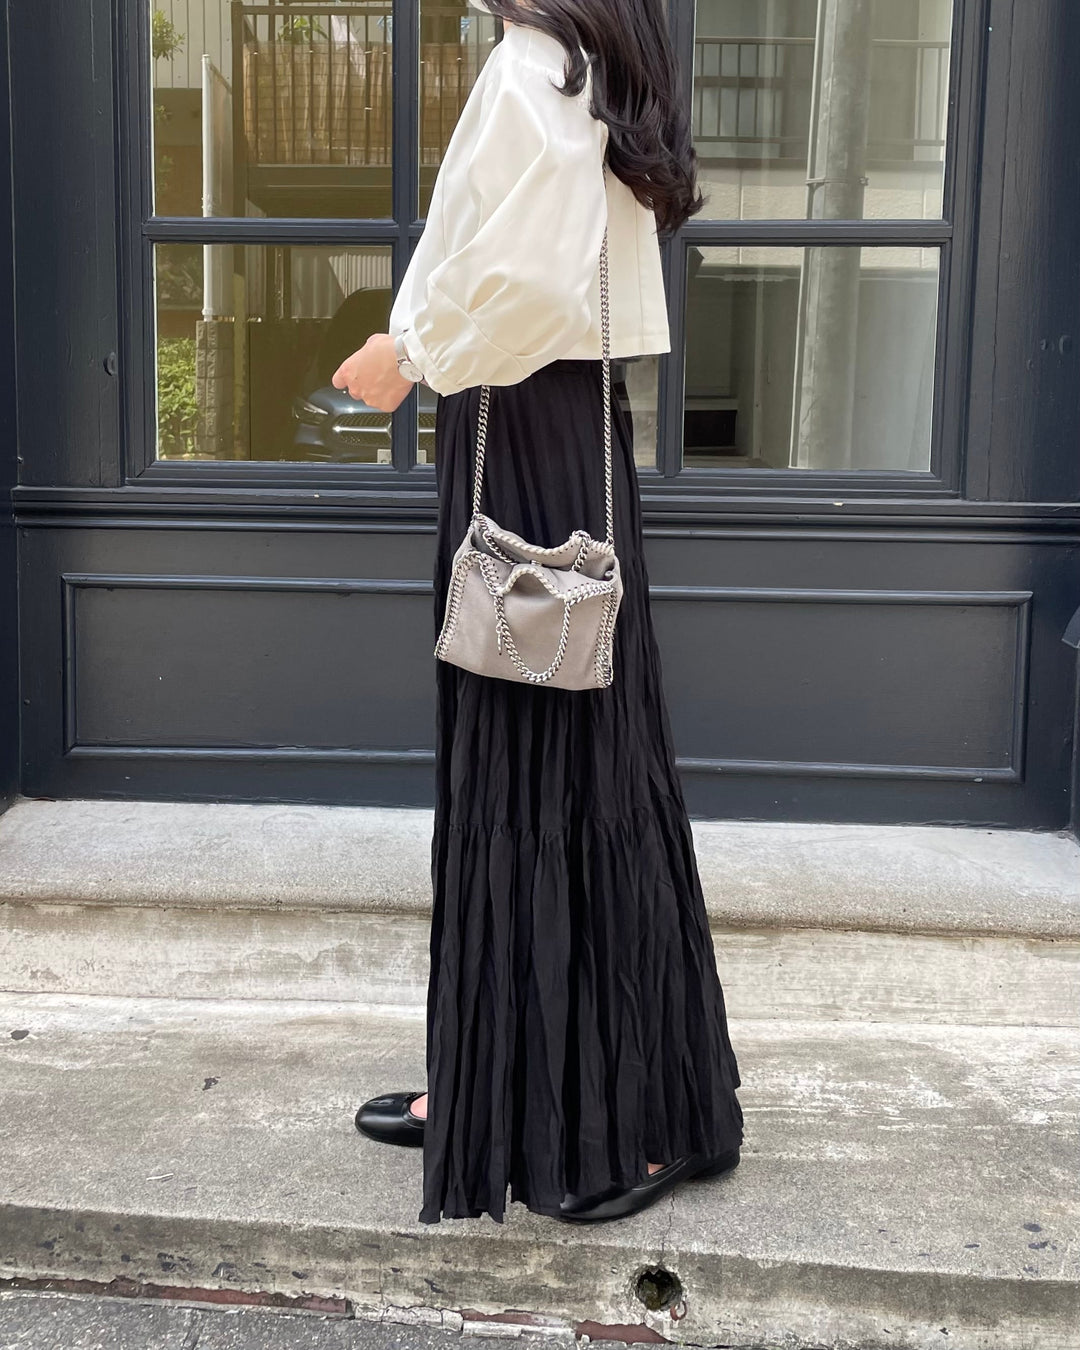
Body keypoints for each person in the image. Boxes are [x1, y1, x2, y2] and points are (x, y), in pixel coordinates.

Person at [334, 0, 744, 1226]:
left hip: (515, 428)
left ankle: (595, 1123)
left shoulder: (534, 73)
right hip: (567, 431)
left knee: (532, 759)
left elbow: (519, 282)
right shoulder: (588, 71)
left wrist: (405, 352)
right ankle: (533, 1093)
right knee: (581, 761)